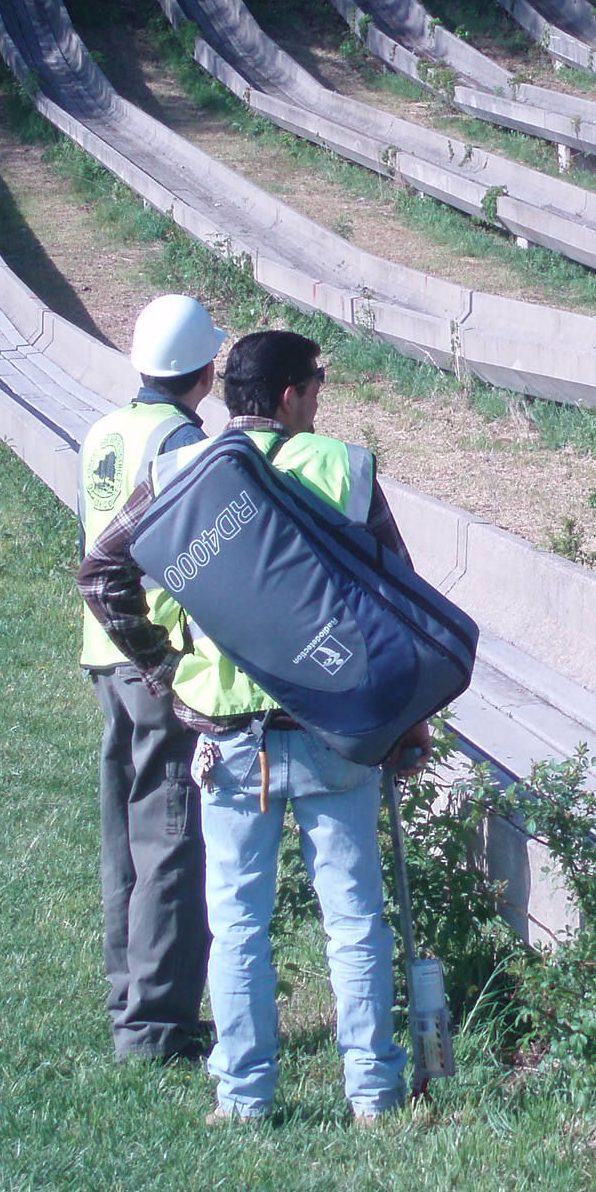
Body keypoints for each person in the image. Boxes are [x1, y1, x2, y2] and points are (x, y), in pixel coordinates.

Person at [80, 330, 430, 1125]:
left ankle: (243, 1098)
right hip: (336, 728)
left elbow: (103, 576)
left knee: (236, 923)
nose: (318, 401)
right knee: (353, 919)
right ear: (287, 398)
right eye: (314, 386)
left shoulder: (177, 472)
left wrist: (168, 670)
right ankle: (374, 1094)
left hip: (229, 737)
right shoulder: (345, 469)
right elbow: (401, 600)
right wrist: (408, 722)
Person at [79, 294, 223, 1063]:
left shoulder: (104, 430)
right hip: (160, 658)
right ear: (204, 371)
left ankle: (125, 997)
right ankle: (158, 1027)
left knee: (123, 839)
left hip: (104, 653)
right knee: (170, 836)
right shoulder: (181, 443)